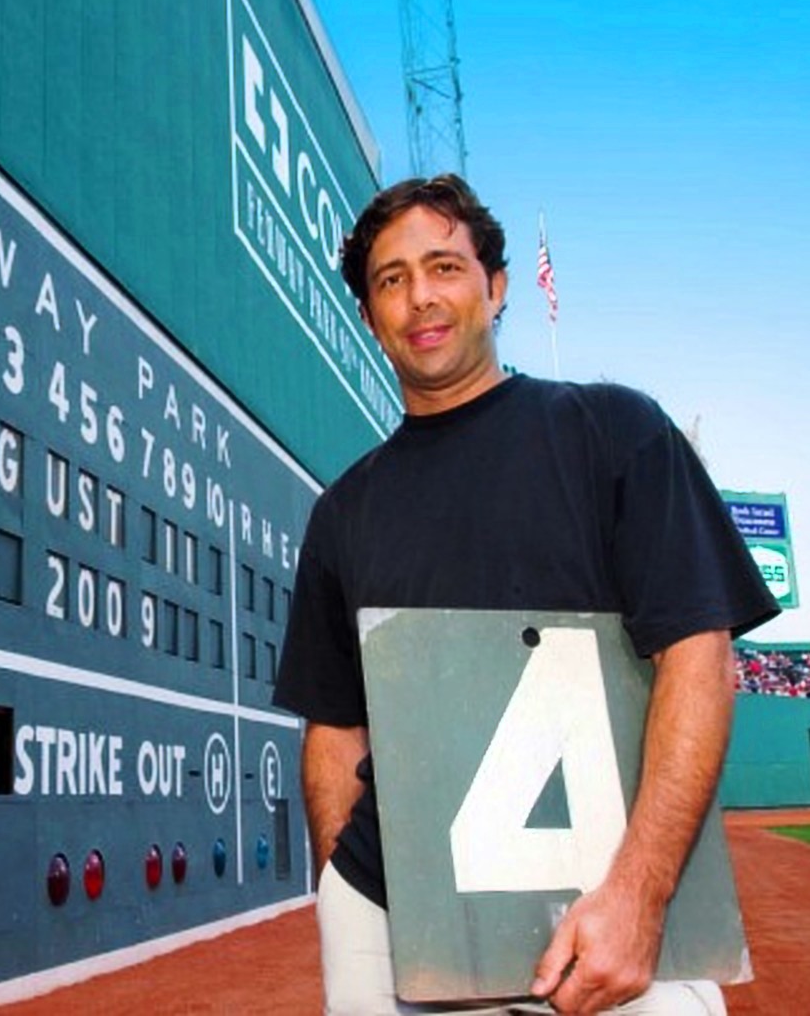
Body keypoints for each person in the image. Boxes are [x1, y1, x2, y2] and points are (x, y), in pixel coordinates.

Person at [272, 174, 779, 1015]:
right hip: (394, 912)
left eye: (444, 266)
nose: (420, 297)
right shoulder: (343, 512)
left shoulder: (615, 430)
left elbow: (697, 652)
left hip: (608, 906)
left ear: (496, 286)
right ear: (369, 315)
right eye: (390, 281)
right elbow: (333, 725)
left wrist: (640, 894)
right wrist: (341, 887)